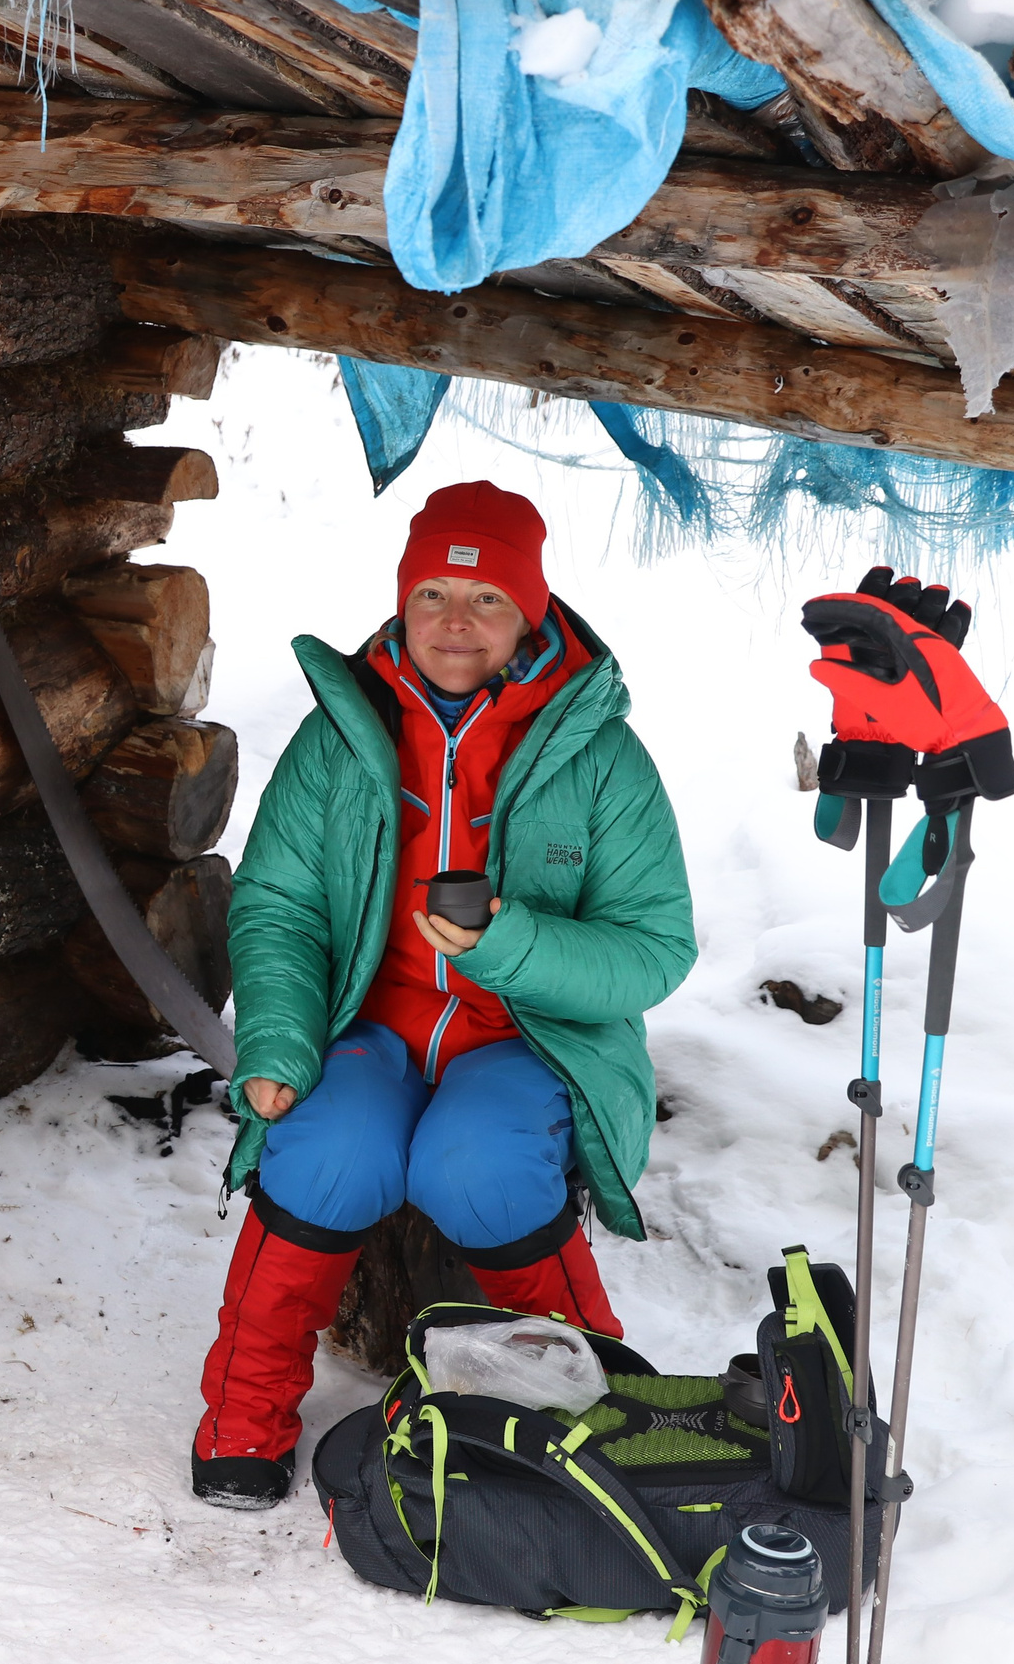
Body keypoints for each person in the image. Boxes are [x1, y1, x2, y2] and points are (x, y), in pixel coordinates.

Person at [193, 481, 695, 1511]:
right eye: (432, 595)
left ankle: (588, 1415)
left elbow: (653, 949)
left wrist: (507, 943)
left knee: (479, 1167)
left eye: (486, 602)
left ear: (530, 616)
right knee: (329, 1156)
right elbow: (278, 904)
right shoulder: (342, 736)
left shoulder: (598, 756)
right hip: (366, 1026)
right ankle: (243, 1425)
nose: (455, 625)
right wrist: (281, 1041)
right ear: (401, 603)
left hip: (525, 1040)